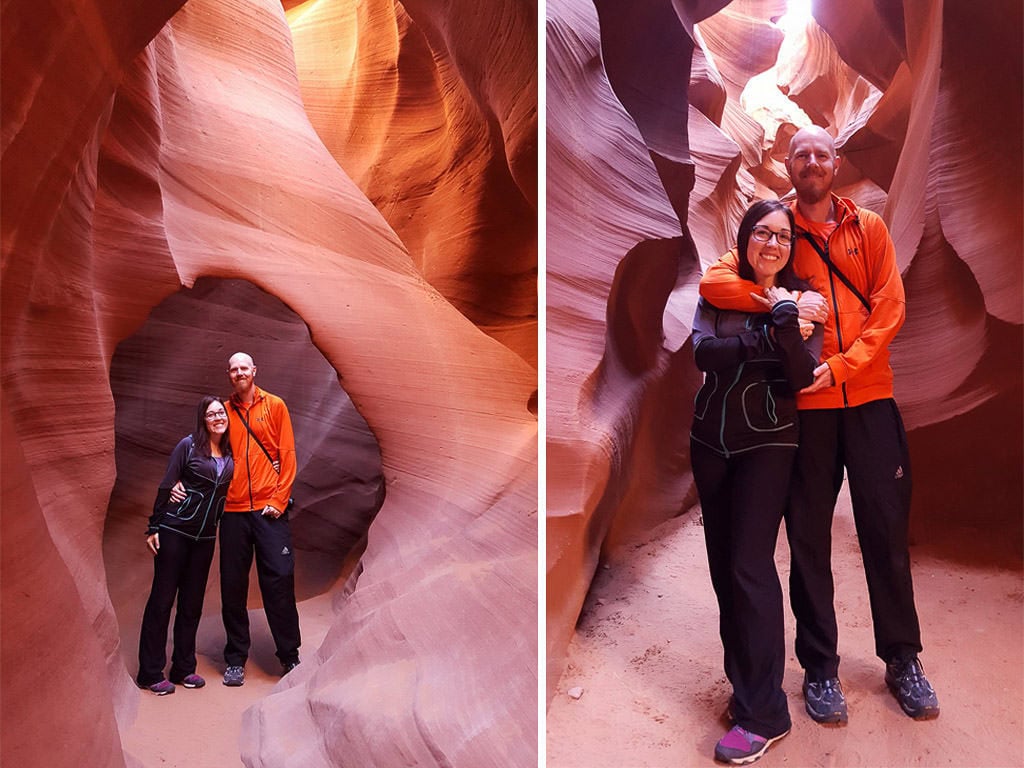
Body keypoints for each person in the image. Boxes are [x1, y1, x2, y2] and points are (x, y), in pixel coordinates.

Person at [699, 125, 939, 726]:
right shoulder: (777, 231)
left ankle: (903, 658)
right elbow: (717, 280)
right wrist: (777, 304)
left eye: (821, 153)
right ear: (788, 163)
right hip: (808, 411)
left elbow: (891, 306)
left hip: (867, 396)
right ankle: (821, 669)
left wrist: (840, 367)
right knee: (808, 535)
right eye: (800, 154)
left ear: (835, 162)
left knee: (885, 526)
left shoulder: (870, 229)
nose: (811, 162)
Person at [691, 199, 823, 764]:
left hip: (767, 445)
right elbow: (702, 353)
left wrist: (785, 323)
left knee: (749, 568)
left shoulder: (803, 303)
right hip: (710, 445)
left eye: (783, 237)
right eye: (762, 233)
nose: (772, 244)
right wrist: (762, 336)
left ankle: (766, 714)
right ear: (745, 237)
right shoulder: (718, 292)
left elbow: (801, 374)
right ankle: (747, 690)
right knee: (726, 571)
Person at [171, 352, 301, 686]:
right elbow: (204, 450)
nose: (239, 372)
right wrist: (181, 481)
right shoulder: (223, 413)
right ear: (228, 375)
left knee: (279, 580)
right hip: (232, 512)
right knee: (233, 585)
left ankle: (290, 656)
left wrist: (279, 498)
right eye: (234, 369)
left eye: (244, 367)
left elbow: (286, 455)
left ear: (254, 371)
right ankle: (235, 659)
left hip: (269, 511)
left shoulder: (275, 406)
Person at [137, 396, 235, 695]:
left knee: (191, 605)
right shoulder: (189, 446)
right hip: (175, 531)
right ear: (203, 420)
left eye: (221, 412)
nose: (217, 417)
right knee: (162, 601)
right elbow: (168, 483)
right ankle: (150, 673)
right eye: (211, 414)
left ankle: (183, 668)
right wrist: (154, 526)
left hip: (205, 539)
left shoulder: (230, 452)